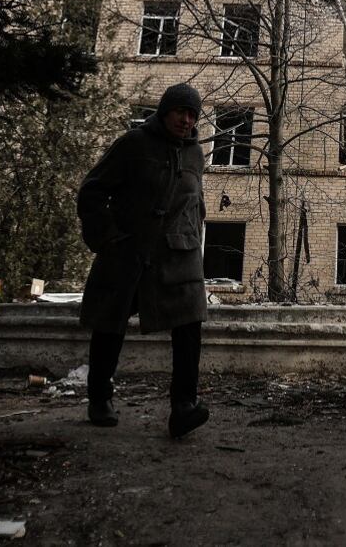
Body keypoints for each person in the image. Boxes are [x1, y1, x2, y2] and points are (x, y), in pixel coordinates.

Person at [77, 82, 209, 438]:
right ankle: (99, 397)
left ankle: (184, 406)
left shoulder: (196, 155)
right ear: (164, 111)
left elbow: (196, 202)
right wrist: (107, 237)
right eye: (180, 111)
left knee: (190, 324)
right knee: (111, 322)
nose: (186, 120)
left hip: (178, 255)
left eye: (192, 114)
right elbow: (92, 191)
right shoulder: (133, 144)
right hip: (128, 251)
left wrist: (193, 237)